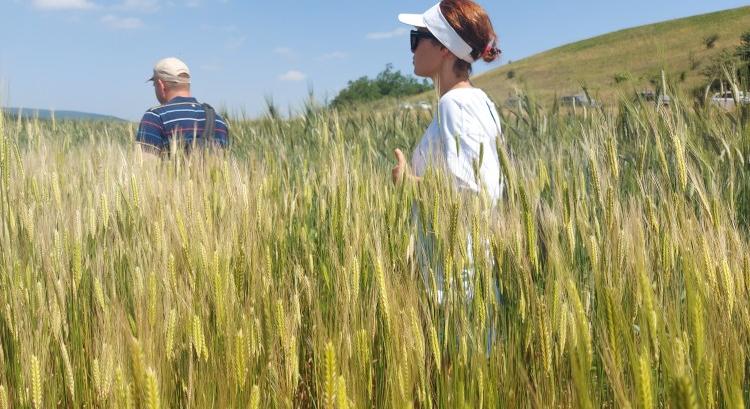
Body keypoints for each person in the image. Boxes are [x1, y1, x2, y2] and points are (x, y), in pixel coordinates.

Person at [392, 0, 504, 304]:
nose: (412, 48)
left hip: (457, 287)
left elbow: (472, 194)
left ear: (444, 48)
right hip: (463, 277)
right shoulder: (479, 102)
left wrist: (408, 183)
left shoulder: (454, 105)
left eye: (416, 38)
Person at [136, 57, 229, 155]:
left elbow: (145, 166)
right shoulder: (218, 120)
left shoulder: (155, 117)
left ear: (160, 85)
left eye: (154, 85)